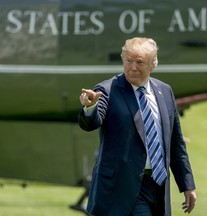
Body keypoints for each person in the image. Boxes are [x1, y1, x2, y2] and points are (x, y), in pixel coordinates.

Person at [78, 37, 197, 216]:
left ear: (153, 64)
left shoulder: (164, 91)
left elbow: (175, 143)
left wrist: (187, 185)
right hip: (121, 187)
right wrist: (90, 106)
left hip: (157, 187)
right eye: (129, 61)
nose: (133, 67)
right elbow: (91, 123)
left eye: (140, 62)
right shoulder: (107, 90)